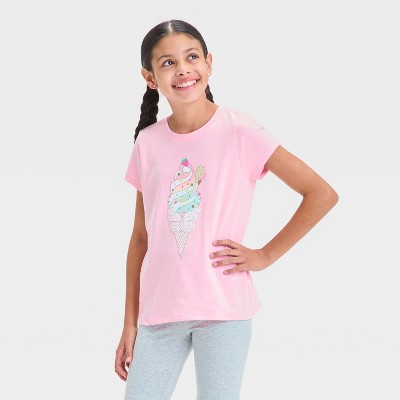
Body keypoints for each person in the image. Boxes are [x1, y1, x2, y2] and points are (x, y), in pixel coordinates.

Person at [115, 19, 339, 400]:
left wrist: (265, 255)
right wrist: (129, 323)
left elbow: (321, 194)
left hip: (223, 311)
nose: (183, 69)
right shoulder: (147, 143)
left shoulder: (240, 130)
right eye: (168, 63)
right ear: (149, 77)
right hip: (158, 313)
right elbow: (140, 238)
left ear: (209, 63)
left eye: (191, 57)